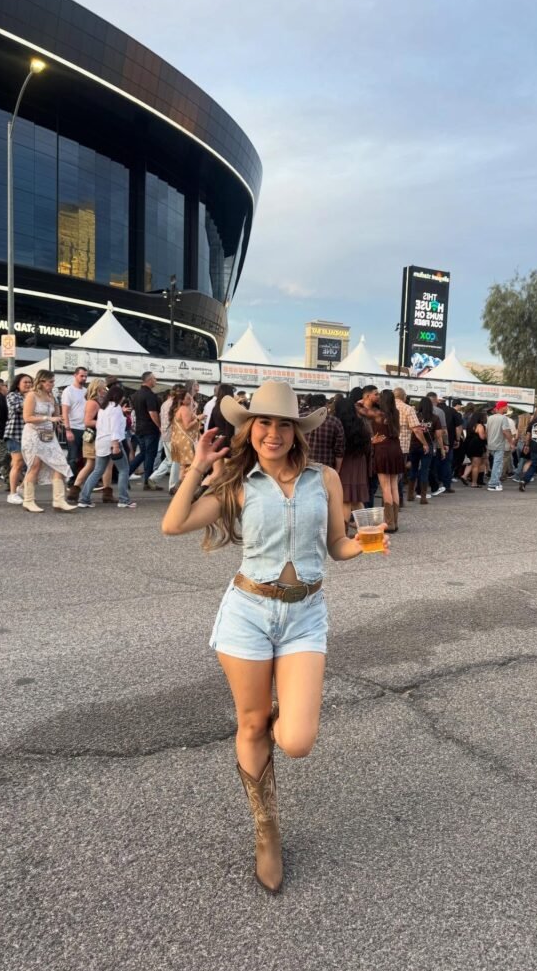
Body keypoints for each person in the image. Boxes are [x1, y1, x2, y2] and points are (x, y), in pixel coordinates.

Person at [161, 380, 387, 894]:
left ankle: (279, 714)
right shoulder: (237, 483)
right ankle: (266, 830)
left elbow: (336, 545)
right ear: (249, 428)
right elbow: (173, 525)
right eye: (263, 422)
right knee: (251, 722)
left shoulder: (323, 479)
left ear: (296, 431)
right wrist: (198, 466)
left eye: (283, 424)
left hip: (305, 614)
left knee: (298, 740)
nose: (273, 433)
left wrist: (365, 545)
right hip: (247, 614)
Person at [21, 370, 77, 513]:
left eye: (53, 381)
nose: (53, 384)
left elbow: (56, 415)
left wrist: (60, 421)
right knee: (35, 466)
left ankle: (59, 500)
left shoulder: (51, 396)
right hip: (33, 433)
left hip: (49, 435)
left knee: (60, 464)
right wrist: (47, 418)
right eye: (50, 381)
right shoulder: (31, 395)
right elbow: (27, 418)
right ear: (41, 381)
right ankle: (28, 501)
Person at [78, 384, 135, 508]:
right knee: (124, 470)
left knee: (97, 470)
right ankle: (124, 499)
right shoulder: (115, 408)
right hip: (112, 441)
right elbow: (114, 427)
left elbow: (99, 425)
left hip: (101, 441)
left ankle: (84, 498)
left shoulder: (103, 408)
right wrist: (115, 445)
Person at [67, 378, 113, 503]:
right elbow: (87, 421)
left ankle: (76, 490)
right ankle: (76, 490)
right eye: (104, 388)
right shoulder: (93, 403)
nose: (105, 391)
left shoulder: (97, 401)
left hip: (97, 436)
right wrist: (104, 422)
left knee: (101, 464)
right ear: (98, 389)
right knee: (94, 464)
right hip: (94, 437)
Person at [334, 391, 371, 525]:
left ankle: (343, 533)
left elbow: (338, 447)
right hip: (359, 462)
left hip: (344, 462)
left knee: (345, 500)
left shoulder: (338, 424)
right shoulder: (361, 424)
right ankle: (365, 528)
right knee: (357, 499)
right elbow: (368, 444)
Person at [371, 389, 405, 532]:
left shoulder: (378, 415)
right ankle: (395, 522)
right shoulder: (395, 413)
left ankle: (389, 522)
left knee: (385, 488)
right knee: (394, 486)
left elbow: (359, 409)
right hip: (396, 449)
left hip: (382, 450)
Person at [147, 384, 186, 494]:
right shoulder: (177, 404)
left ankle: (153, 478)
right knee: (176, 461)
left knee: (169, 459)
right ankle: (173, 486)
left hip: (165, 434)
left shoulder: (165, 403)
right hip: (174, 436)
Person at [128, 372, 163, 490]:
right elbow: (152, 413)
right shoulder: (150, 395)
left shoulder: (136, 395)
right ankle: (147, 482)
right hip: (150, 429)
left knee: (143, 453)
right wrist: (159, 426)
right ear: (149, 380)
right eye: (154, 379)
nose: (156, 381)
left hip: (139, 428)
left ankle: (125, 474)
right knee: (149, 455)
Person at [3, 373, 33, 504]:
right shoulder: (12, 395)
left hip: (30, 435)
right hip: (15, 433)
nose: (28, 385)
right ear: (18, 384)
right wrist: (29, 398)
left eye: (30, 382)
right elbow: (17, 407)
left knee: (33, 464)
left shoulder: (31, 396)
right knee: (18, 463)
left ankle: (20, 488)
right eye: (25, 382)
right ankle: (12, 493)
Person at [409, 396, 443, 504]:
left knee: (413, 469)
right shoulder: (435, 418)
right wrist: (441, 448)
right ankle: (423, 497)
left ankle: (410, 494)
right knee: (424, 470)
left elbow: (411, 431)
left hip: (414, 445)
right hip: (427, 445)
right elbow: (438, 435)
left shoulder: (415, 416)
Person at [61, 366, 88, 484]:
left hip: (85, 427)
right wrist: (67, 429)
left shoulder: (85, 391)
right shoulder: (68, 391)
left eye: (85, 376)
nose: (84, 378)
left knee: (85, 455)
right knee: (73, 456)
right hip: (73, 427)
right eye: (82, 376)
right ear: (75, 375)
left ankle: (81, 479)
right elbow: (65, 411)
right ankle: (71, 480)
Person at [305, 393, 345, 472]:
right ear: (325, 404)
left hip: (303, 465)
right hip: (326, 468)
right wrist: (337, 470)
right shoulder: (335, 421)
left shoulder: (301, 418)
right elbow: (339, 450)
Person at [170, 390, 201, 484]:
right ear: (182, 400)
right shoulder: (184, 409)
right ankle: (185, 486)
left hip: (178, 440)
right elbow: (187, 426)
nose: (191, 399)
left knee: (183, 466)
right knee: (189, 465)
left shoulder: (177, 409)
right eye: (188, 398)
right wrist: (199, 419)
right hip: (186, 441)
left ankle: (180, 486)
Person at [485, 401, 514, 492]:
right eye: (506, 407)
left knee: (495, 464)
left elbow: (487, 431)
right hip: (499, 444)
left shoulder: (490, 418)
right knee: (498, 465)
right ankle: (493, 484)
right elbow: (506, 431)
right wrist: (511, 442)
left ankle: (495, 482)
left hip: (491, 444)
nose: (507, 408)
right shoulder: (503, 418)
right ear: (502, 407)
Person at [463, 409, 487, 488]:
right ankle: (474, 483)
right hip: (477, 446)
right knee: (476, 466)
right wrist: (486, 434)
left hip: (469, 446)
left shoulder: (470, 425)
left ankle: (465, 476)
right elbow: (482, 437)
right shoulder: (479, 425)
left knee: (472, 464)